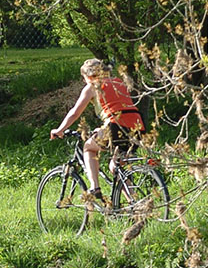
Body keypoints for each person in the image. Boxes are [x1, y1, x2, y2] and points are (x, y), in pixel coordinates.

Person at [49, 58, 144, 202]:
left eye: (84, 78)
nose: (84, 81)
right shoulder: (118, 82)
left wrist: (60, 129)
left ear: (89, 76)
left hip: (116, 125)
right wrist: (103, 127)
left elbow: (75, 112)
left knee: (88, 147)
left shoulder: (92, 87)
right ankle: (135, 204)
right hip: (137, 126)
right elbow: (119, 108)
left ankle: (94, 188)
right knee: (116, 167)